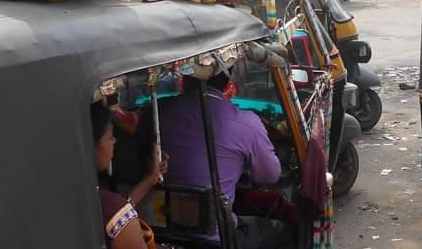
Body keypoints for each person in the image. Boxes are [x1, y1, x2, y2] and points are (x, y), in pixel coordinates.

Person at [147, 73, 290, 248]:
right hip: (216, 238)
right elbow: (269, 176)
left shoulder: (155, 111)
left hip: (157, 229)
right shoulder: (247, 123)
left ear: (186, 78)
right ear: (227, 82)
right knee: (284, 230)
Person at [92, 102, 167, 249]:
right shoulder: (114, 211)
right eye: (110, 137)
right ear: (91, 145)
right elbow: (117, 212)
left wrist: (150, 179)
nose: (114, 141)